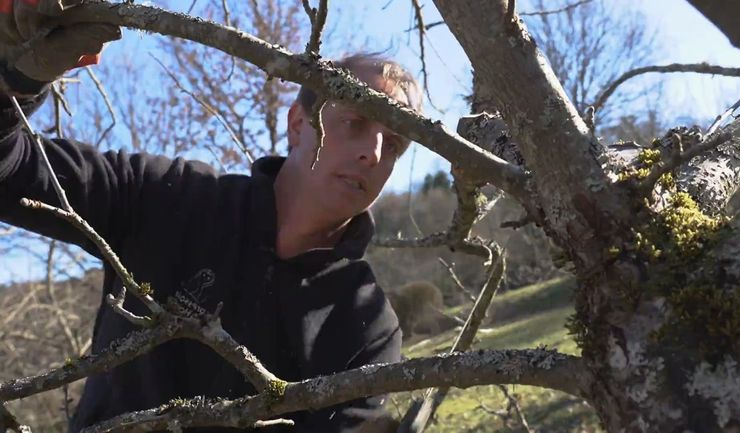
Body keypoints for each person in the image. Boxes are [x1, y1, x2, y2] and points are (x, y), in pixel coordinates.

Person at [0, 1, 423, 432]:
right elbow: (11, 173)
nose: (373, 153)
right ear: (298, 124)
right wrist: (15, 80)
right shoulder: (168, 195)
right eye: (355, 121)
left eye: (393, 144)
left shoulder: (364, 321)